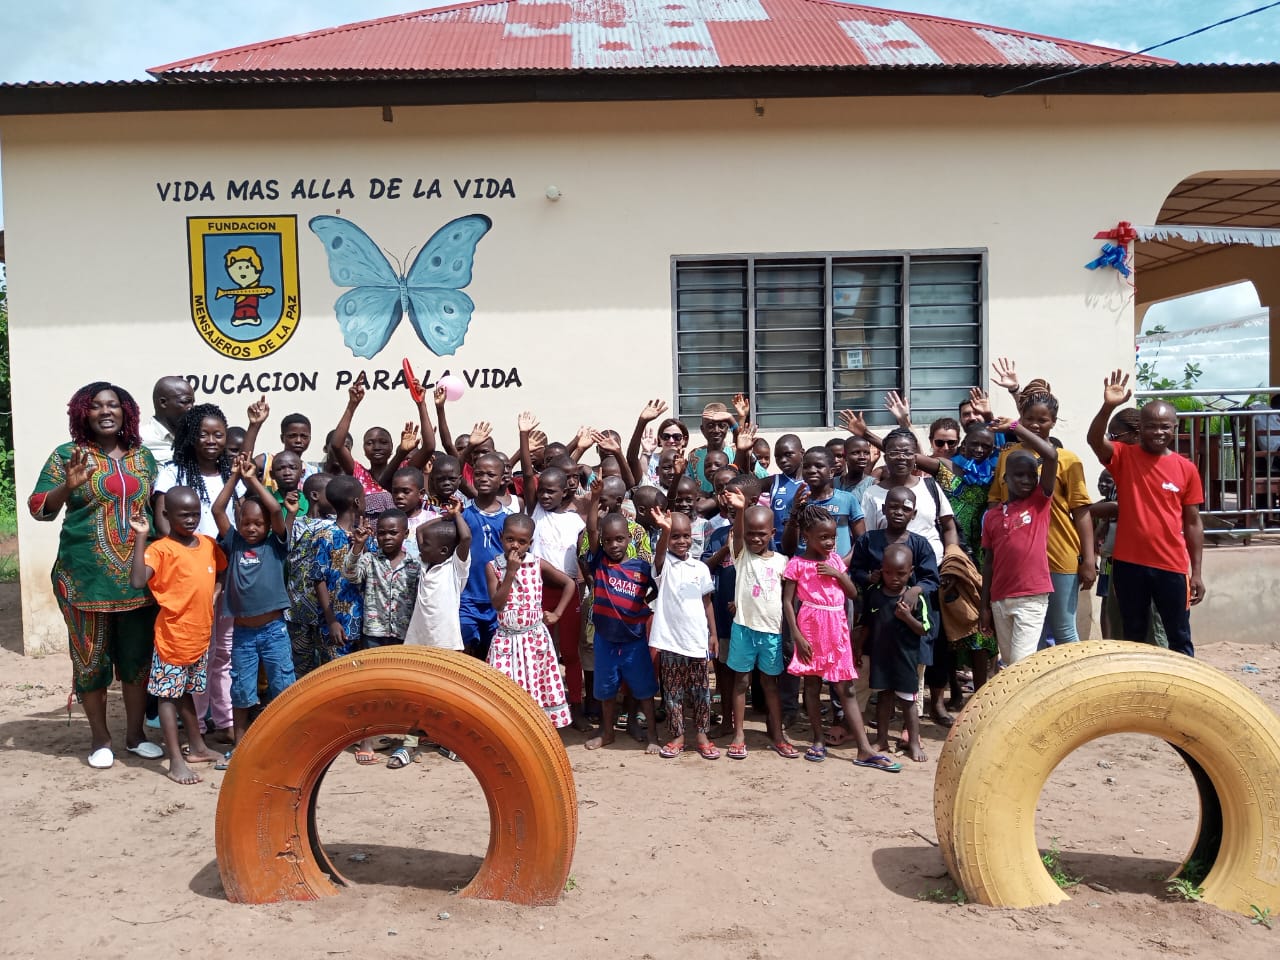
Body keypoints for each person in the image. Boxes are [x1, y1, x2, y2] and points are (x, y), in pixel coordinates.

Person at [30, 381, 163, 768]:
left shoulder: (143, 458)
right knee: (91, 660)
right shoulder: (67, 456)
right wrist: (64, 488)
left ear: (126, 412)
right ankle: (101, 739)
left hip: (138, 578)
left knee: (138, 659)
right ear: (82, 413)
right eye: (96, 406)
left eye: (114, 405)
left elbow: (158, 510)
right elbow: (39, 508)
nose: (106, 411)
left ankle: (136, 736)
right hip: (84, 576)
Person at [1086, 371, 1204, 656]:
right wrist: (1108, 406)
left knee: (1179, 636)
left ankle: (1182, 693)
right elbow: (1093, 440)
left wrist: (1197, 572)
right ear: (1141, 430)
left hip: (1172, 565)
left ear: (1174, 428)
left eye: (1165, 426)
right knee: (1133, 635)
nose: (1158, 432)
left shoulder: (1185, 468)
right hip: (1129, 565)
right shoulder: (1124, 457)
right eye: (1151, 426)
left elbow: (1193, 523)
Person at [153, 400, 246, 744]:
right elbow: (164, 525)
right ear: (191, 436)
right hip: (189, 577)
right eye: (204, 433)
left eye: (218, 434)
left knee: (223, 652)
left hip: (225, 573)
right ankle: (198, 724)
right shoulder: (172, 472)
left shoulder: (229, 474)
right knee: (194, 654)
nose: (211, 440)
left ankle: (224, 721)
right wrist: (190, 562)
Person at [783, 504, 899, 771]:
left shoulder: (834, 561)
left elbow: (853, 594)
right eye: (823, 537)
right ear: (806, 537)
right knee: (811, 686)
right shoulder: (797, 564)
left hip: (836, 628)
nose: (829, 542)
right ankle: (818, 739)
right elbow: (788, 603)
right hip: (810, 628)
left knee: (845, 687)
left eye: (832, 537)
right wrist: (797, 636)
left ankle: (864, 748)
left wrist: (837, 573)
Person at [128, 487, 226, 784]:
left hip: (199, 636)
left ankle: (197, 747)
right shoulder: (160, 550)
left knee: (184, 693)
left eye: (196, 513)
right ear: (166, 515)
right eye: (183, 515)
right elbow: (136, 581)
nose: (191, 519)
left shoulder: (208, 545)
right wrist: (142, 537)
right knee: (167, 698)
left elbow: (221, 571)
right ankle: (175, 760)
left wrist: (215, 593)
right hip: (172, 637)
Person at [987, 379, 1095, 646]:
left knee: (1063, 629)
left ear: (1054, 422)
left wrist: (1089, 560)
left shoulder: (1067, 459)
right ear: (1020, 417)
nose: (1035, 424)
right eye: (1028, 418)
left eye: (1042, 420)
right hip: (1020, 563)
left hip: (1059, 554)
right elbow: (997, 504)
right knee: (1028, 637)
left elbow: (1081, 512)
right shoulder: (1008, 456)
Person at [210, 454, 295, 751]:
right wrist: (234, 477)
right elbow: (217, 509)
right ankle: (240, 746)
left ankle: (285, 743)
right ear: (238, 522)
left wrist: (253, 480)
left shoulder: (276, 544)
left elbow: (274, 508)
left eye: (259, 523)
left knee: (282, 687)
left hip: (274, 631)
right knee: (242, 691)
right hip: (243, 634)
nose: (252, 528)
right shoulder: (233, 543)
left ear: (269, 526)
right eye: (246, 522)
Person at [520, 411, 589, 729]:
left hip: (568, 590)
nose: (545, 495)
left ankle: (575, 704)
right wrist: (523, 436)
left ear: (566, 491)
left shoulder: (578, 518)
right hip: (536, 590)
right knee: (538, 650)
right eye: (542, 490)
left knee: (570, 652)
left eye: (552, 491)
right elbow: (526, 471)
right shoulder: (535, 510)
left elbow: (585, 555)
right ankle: (537, 705)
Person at [582, 491, 659, 753]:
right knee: (605, 690)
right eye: (608, 540)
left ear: (628, 539)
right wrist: (594, 501)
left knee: (644, 690)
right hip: (605, 639)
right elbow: (591, 530)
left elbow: (655, 590)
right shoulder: (599, 563)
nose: (614, 545)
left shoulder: (641, 567)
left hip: (634, 640)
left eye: (619, 539)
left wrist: (643, 603)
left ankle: (652, 735)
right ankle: (608, 732)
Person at [980, 419, 1059, 665]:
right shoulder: (992, 516)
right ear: (1005, 478)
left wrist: (1016, 428)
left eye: (1031, 475)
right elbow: (989, 563)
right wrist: (985, 606)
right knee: (1008, 663)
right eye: (1019, 475)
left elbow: (1051, 455)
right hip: (1000, 599)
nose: (1026, 480)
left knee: (1020, 663)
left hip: (1031, 596)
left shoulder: (1038, 502)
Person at [720, 488, 792, 760]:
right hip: (744, 629)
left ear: (772, 534)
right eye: (751, 532)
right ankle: (739, 733)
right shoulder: (742, 556)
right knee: (741, 682)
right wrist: (740, 510)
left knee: (770, 685)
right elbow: (738, 535)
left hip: (772, 633)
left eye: (762, 533)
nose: (755, 538)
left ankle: (777, 734)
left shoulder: (782, 562)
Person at [486, 513, 575, 730]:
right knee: (504, 689)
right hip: (506, 641)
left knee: (537, 686)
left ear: (530, 543)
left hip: (534, 640)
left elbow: (569, 584)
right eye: (510, 539)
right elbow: (497, 604)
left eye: (522, 541)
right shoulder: (493, 566)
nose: (515, 546)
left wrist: (557, 614)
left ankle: (537, 734)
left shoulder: (537, 564)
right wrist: (510, 573)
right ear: (501, 537)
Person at [648, 506, 719, 760]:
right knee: (673, 692)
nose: (681, 541)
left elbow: (707, 602)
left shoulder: (699, 568)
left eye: (685, 535)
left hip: (696, 640)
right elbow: (658, 555)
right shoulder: (663, 564)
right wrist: (664, 531)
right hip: (670, 641)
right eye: (675, 536)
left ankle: (701, 734)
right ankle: (677, 735)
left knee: (701, 691)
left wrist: (712, 633)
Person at [857, 543, 933, 762]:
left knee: (908, 701)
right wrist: (859, 648)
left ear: (910, 572)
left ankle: (914, 742)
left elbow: (925, 629)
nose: (894, 578)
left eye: (901, 573)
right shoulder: (875, 594)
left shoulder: (915, 599)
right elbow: (867, 624)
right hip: (881, 657)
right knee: (883, 697)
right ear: (882, 569)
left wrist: (908, 617)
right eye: (889, 572)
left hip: (906, 659)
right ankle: (881, 739)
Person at [458, 453, 510, 660]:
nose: (484, 478)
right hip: (467, 597)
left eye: (490, 474)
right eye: (479, 474)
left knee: (491, 656)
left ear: (501, 479)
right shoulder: (463, 513)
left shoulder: (508, 519)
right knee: (463, 653)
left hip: (495, 599)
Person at [309, 475, 366, 666]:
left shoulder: (365, 536)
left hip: (364, 621)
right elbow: (318, 579)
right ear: (357, 502)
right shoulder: (326, 536)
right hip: (337, 624)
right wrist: (331, 621)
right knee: (336, 673)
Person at [404, 499, 472, 650]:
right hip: (419, 637)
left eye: (426, 545)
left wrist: (456, 515)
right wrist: (444, 518)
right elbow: (420, 530)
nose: (421, 548)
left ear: (443, 551)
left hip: (446, 640)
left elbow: (466, 538)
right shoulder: (425, 563)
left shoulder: (454, 568)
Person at [286, 472, 334, 676]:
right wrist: (290, 514)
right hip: (298, 609)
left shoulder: (337, 526)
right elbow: (283, 543)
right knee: (300, 665)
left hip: (328, 611)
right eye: (332, 493)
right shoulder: (297, 524)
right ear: (315, 496)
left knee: (328, 666)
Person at [328, 380, 397, 494]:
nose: (377, 447)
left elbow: (429, 448)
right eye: (370, 443)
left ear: (392, 448)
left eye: (383, 442)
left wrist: (421, 404)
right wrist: (352, 405)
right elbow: (336, 445)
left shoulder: (400, 473)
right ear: (364, 449)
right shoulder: (359, 473)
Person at [140, 376, 194, 464]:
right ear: (163, 403)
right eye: (185, 402)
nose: (191, 408)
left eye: (192, 403)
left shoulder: (194, 437)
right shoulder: (140, 439)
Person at [687, 400, 736, 494]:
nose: (716, 430)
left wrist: (733, 420)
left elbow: (761, 474)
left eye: (722, 426)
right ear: (702, 429)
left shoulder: (735, 452)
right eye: (710, 426)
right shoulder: (694, 456)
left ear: (727, 428)